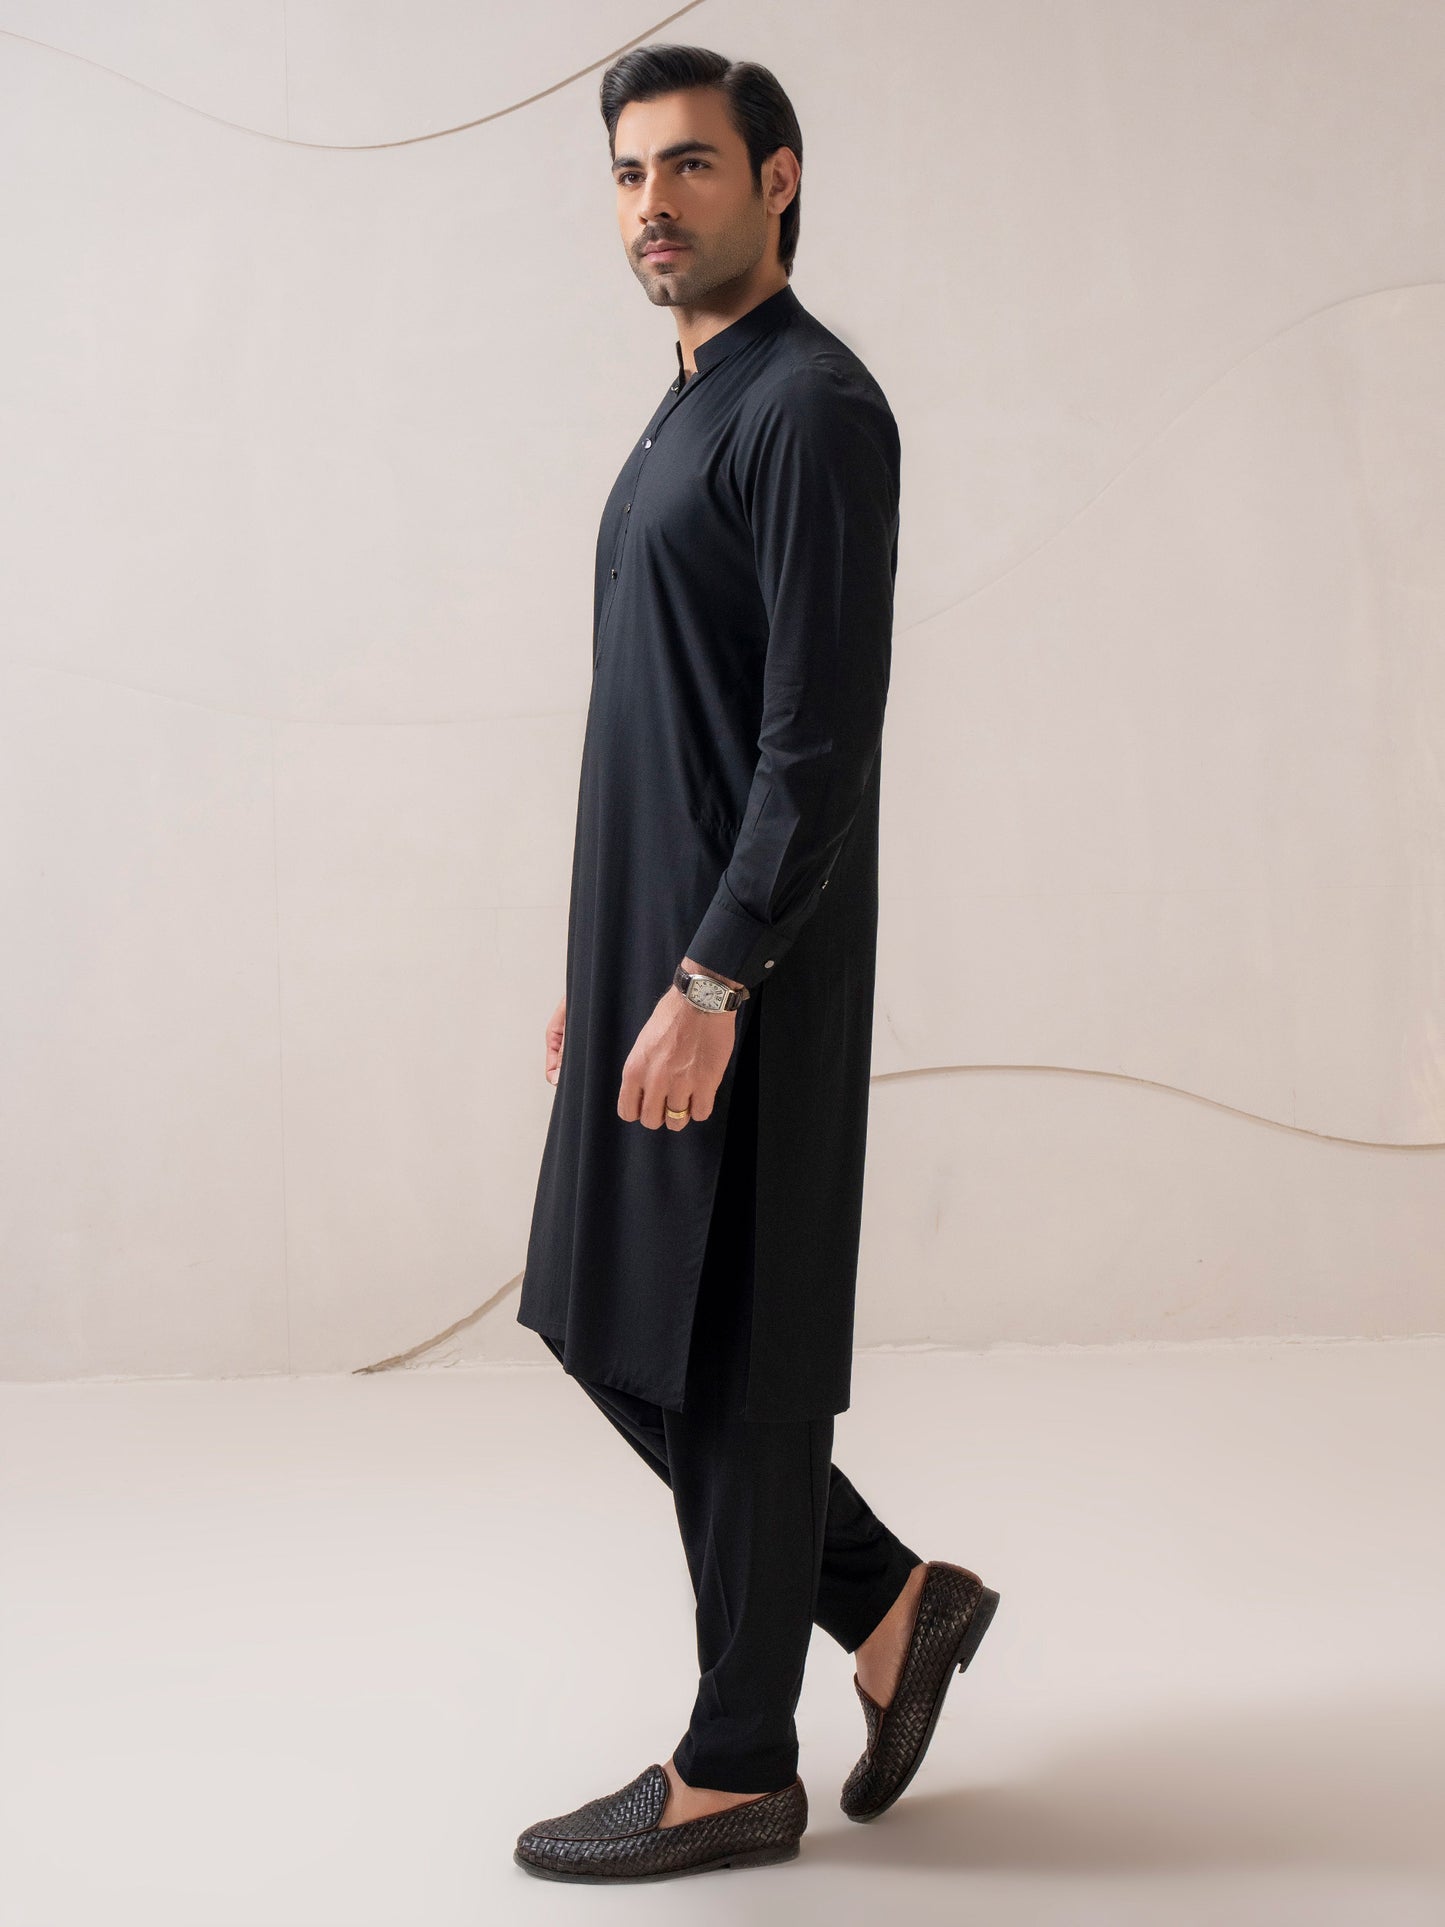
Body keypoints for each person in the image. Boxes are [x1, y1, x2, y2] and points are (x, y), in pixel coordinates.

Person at [512, 43, 998, 1885]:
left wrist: (714, 977)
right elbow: (667, 721)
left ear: (776, 179)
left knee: (733, 1352)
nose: (652, 204)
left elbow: (814, 744)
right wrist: (613, 960)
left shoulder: (809, 409)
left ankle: (735, 1767)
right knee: (613, 1317)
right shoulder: (692, 406)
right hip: (660, 959)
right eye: (628, 173)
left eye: (691, 166)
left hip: (748, 973)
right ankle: (892, 1606)